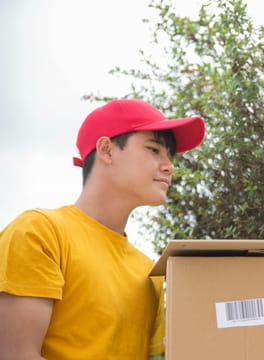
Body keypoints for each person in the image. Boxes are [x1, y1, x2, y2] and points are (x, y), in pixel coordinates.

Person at [0, 99, 206, 360]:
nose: (169, 165)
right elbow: (16, 355)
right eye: (154, 149)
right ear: (107, 150)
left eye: (170, 156)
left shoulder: (148, 271)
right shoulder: (39, 233)